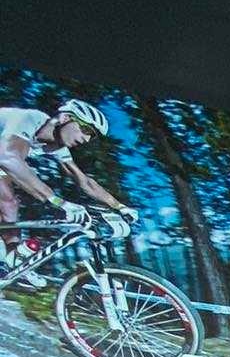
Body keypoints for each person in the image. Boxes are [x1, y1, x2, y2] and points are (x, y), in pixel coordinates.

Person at [0, 99, 134, 269]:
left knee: (9, 204)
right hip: (4, 155)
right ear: (65, 118)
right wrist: (58, 202)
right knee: (8, 193)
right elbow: (7, 157)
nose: (86, 139)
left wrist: (119, 206)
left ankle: (12, 263)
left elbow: (84, 181)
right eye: (86, 130)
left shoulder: (57, 147)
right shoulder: (29, 119)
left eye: (91, 136)